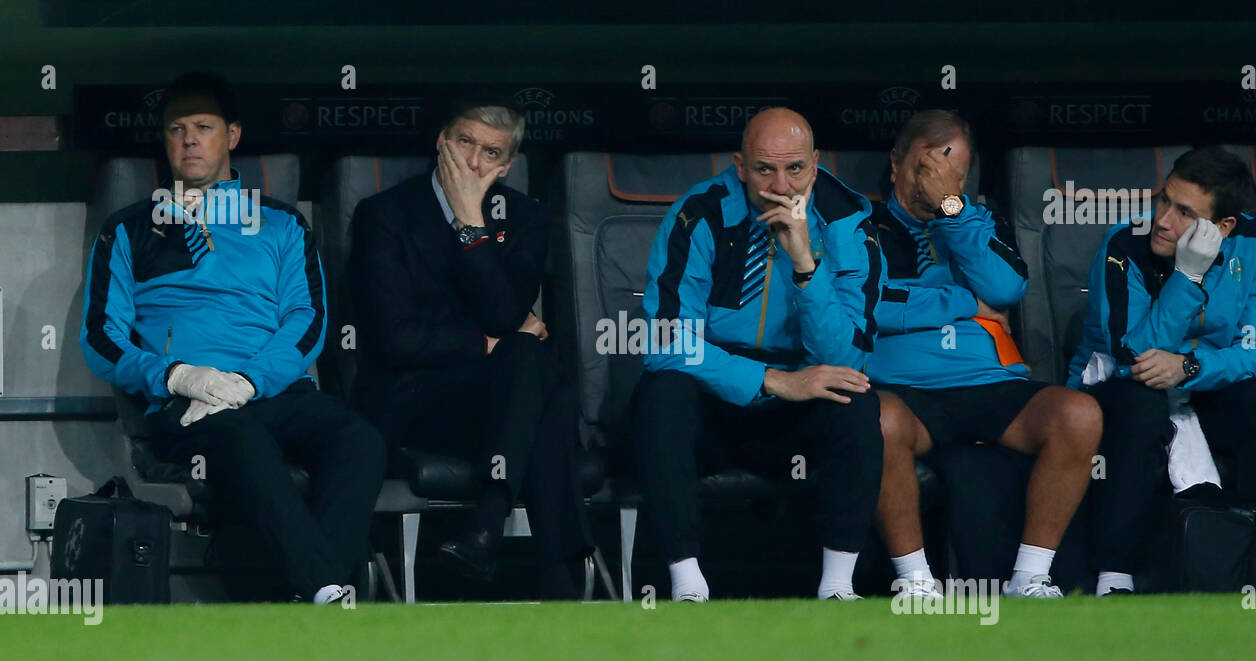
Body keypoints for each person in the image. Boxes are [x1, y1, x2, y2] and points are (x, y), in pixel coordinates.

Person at [80, 71, 385, 604]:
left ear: (233, 136)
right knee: (240, 435)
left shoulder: (281, 223)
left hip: (271, 393)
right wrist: (178, 375)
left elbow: (307, 321)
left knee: (359, 439)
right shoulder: (128, 229)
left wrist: (248, 380)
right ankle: (325, 590)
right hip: (186, 406)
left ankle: (317, 591)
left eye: (204, 127)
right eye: (176, 129)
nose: (190, 140)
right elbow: (101, 340)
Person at [633, 107, 889, 602]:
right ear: (740, 165)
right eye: (764, 169)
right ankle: (687, 584)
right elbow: (666, 341)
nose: (780, 184)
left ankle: (838, 586)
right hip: (715, 394)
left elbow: (845, 357)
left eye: (795, 168)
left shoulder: (847, 219)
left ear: (814, 164)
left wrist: (804, 264)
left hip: (799, 398)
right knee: (662, 396)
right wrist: (771, 380)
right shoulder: (700, 213)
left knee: (856, 402)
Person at [348, 104, 594, 599]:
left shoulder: (524, 218)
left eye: (492, 153)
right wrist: (487, 343)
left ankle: (489, 527)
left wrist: (469, 225)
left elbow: (503, 313)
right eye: (465, 143)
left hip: (497, 403)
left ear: (506, 165)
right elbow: (397, 340)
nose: (475, 162)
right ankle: (553, 571)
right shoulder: (384, 214)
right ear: (441, 141)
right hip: (412, 402)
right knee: (545, 384)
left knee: (532, 367)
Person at [868, 109, 1102, 599]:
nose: (935, 183)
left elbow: (1005, 286)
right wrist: (964, 303)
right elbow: (869, 305)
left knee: (1078, 415)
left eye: (953, 174)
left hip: (990, 384)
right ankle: (915, 581)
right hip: (906, 390)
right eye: (925, 168)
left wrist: (952, 210)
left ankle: (1030, 577)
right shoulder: (862, 225)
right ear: (896, 164)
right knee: (876, 422)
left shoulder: (977, 219)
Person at [1068, 145, 1256, 593]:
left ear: (1223, 226)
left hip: (1202, 382)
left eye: (1184, 212)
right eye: (1164, 200)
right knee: (1141, 403)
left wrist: (1190, 367)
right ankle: (1114, 574)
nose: (1164, 219)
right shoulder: (1124, 244)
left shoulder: (1252, 244)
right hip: (1118, 385)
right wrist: (1187, 277)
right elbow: (1133, 353)